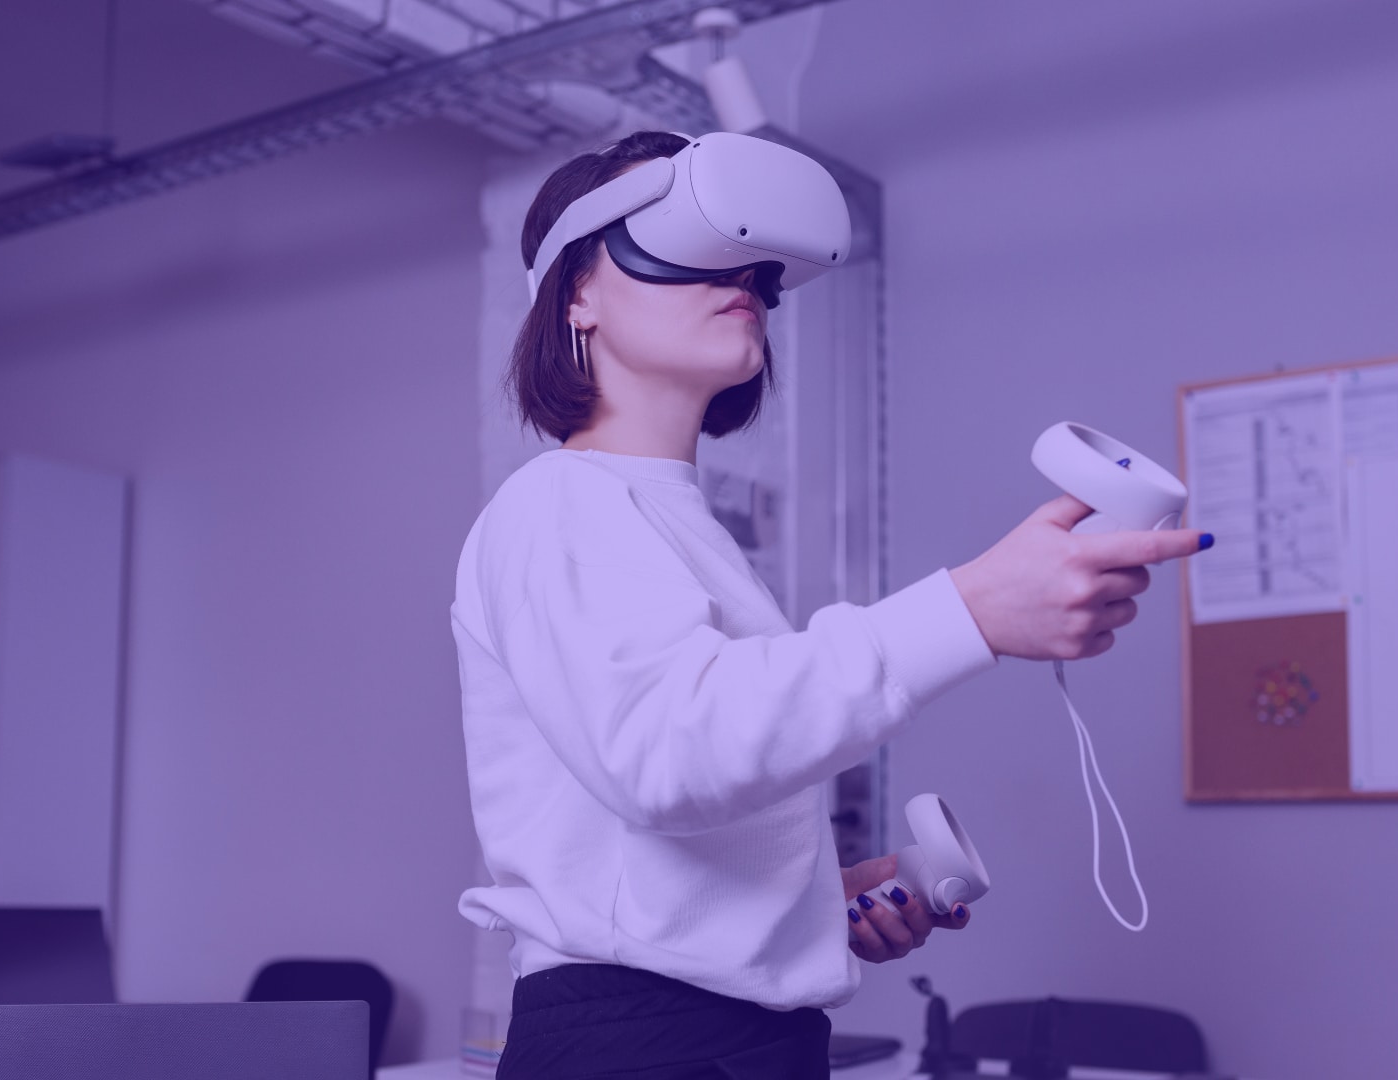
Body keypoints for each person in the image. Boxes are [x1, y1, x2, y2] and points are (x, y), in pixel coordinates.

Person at [450, 130, 1209, 1079]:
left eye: (756, 264)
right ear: (576, 292)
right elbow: (662, 751)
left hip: (739, 1039)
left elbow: (678, 797)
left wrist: (813, 908)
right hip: (639, 1043)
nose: (742, 275)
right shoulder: (562, 500)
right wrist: (970, 608)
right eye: (681, 240)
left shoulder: (671, 524)